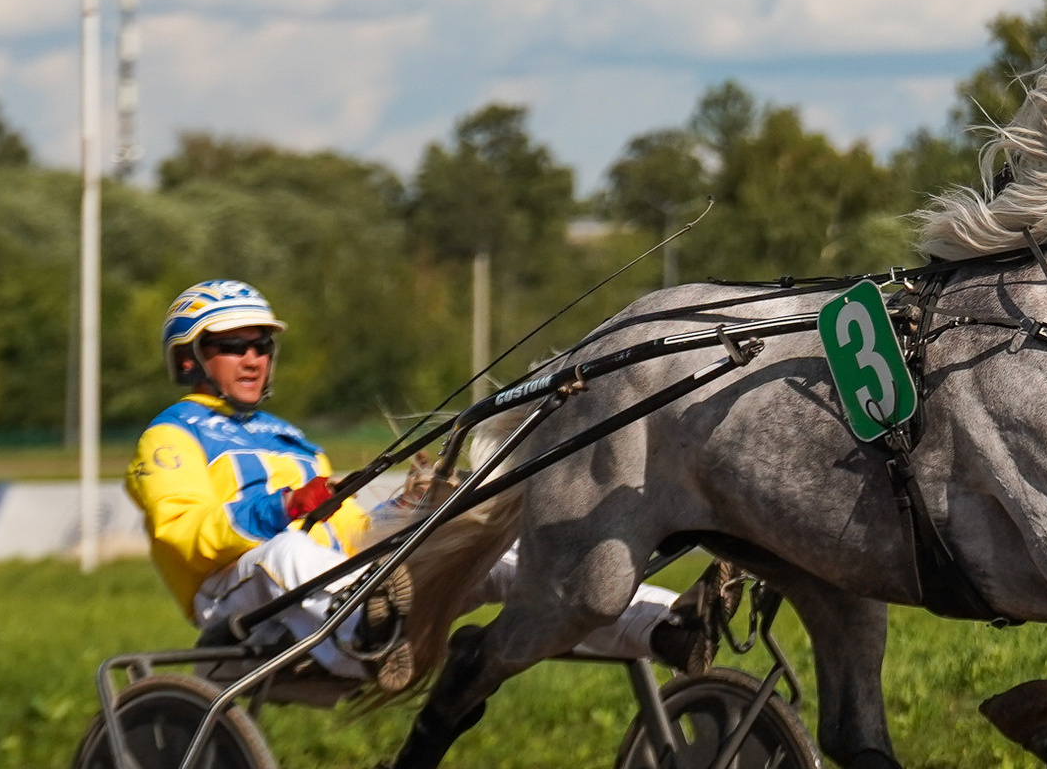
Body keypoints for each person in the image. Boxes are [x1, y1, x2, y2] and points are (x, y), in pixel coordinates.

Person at [126, 279, 678, 691]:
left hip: (330, 591)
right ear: (190, 357)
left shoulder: (286, 437)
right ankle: (367, 641)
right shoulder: (171, 436)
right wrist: (286, 506)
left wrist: (410, 506)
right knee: (287, 548)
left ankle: (667, 623)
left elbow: (351, 535)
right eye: (232, 345)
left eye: (261, 346)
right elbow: (183, 529)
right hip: (234, 593)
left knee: (494, 549)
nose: (252, 358)